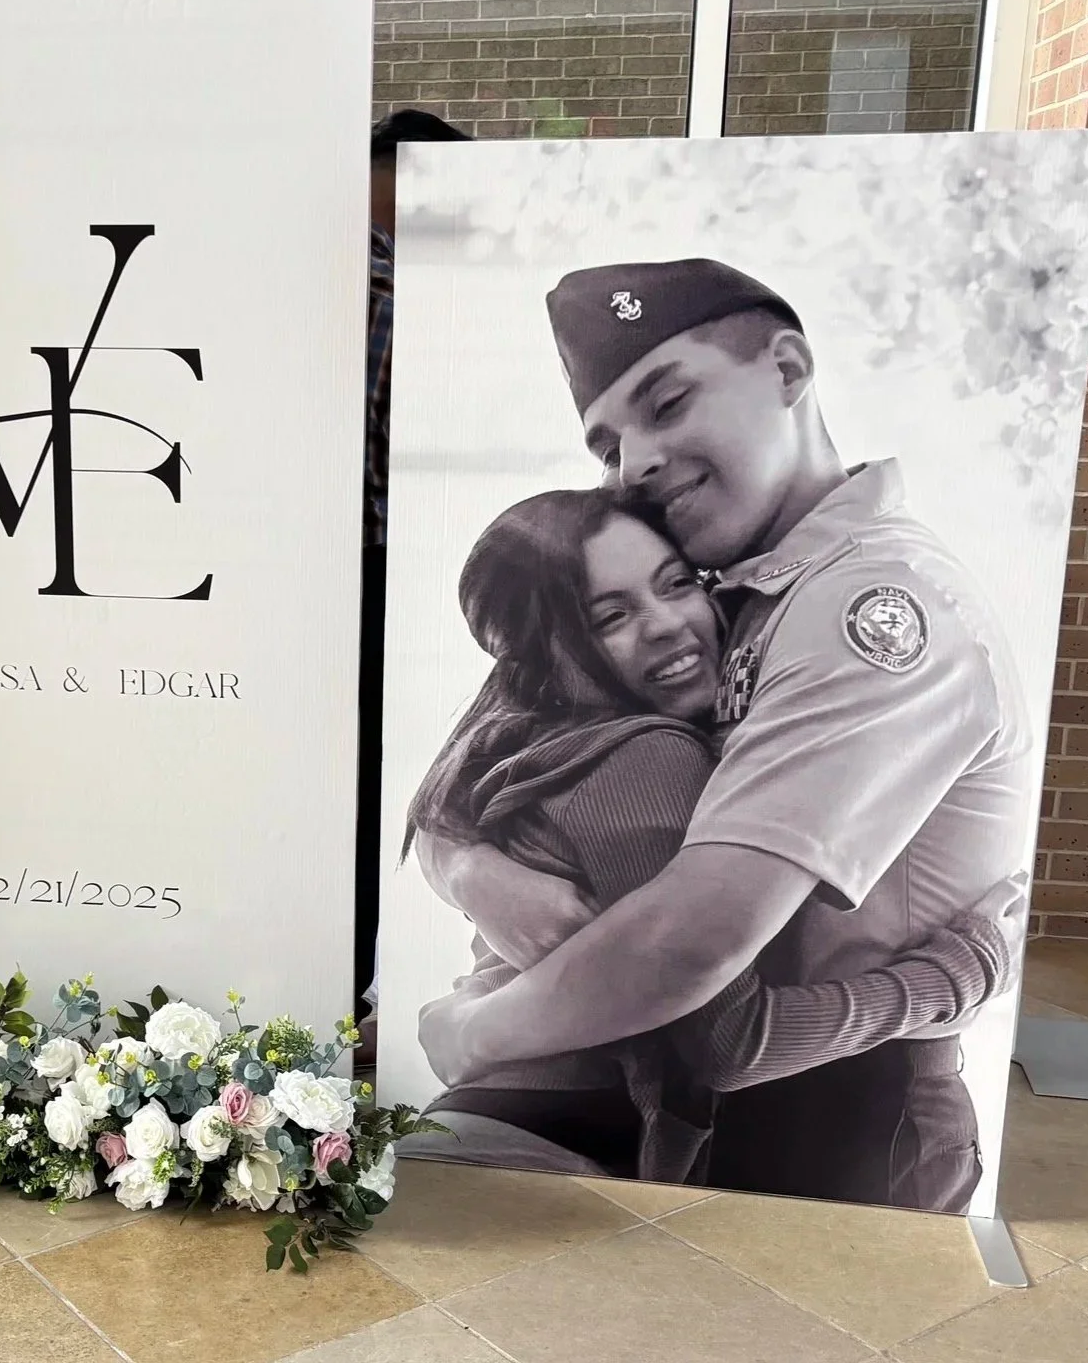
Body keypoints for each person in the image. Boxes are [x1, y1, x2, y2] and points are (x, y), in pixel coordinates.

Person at [420, 258, 1036, 1212]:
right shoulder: (726, 586)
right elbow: (486, 744)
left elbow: (686, 949)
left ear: (786, 369)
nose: (635, 464)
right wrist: (463, 862)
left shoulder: (866, 608)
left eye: (665, 405)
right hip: (720, 1101)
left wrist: (476, 1032)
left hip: (849, 1104)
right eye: (607, 444)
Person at [404, 489, 1017, 1183]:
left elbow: (437, 820)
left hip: (510, 1139)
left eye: (675, 585)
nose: (666, 625)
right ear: (543, 657)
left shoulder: (535, 744)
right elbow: (731, 1041)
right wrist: (964, 971)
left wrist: (462, 868)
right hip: (534, 1153)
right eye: (609, 617)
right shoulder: (646, 754)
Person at [359, 109, 470, 1049]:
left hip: (401, 575)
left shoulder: (428, 285)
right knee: (381, 790)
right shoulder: (400, 286)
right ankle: (369, 991)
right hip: (382, 577)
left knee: (393, 790)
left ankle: (371, 990)